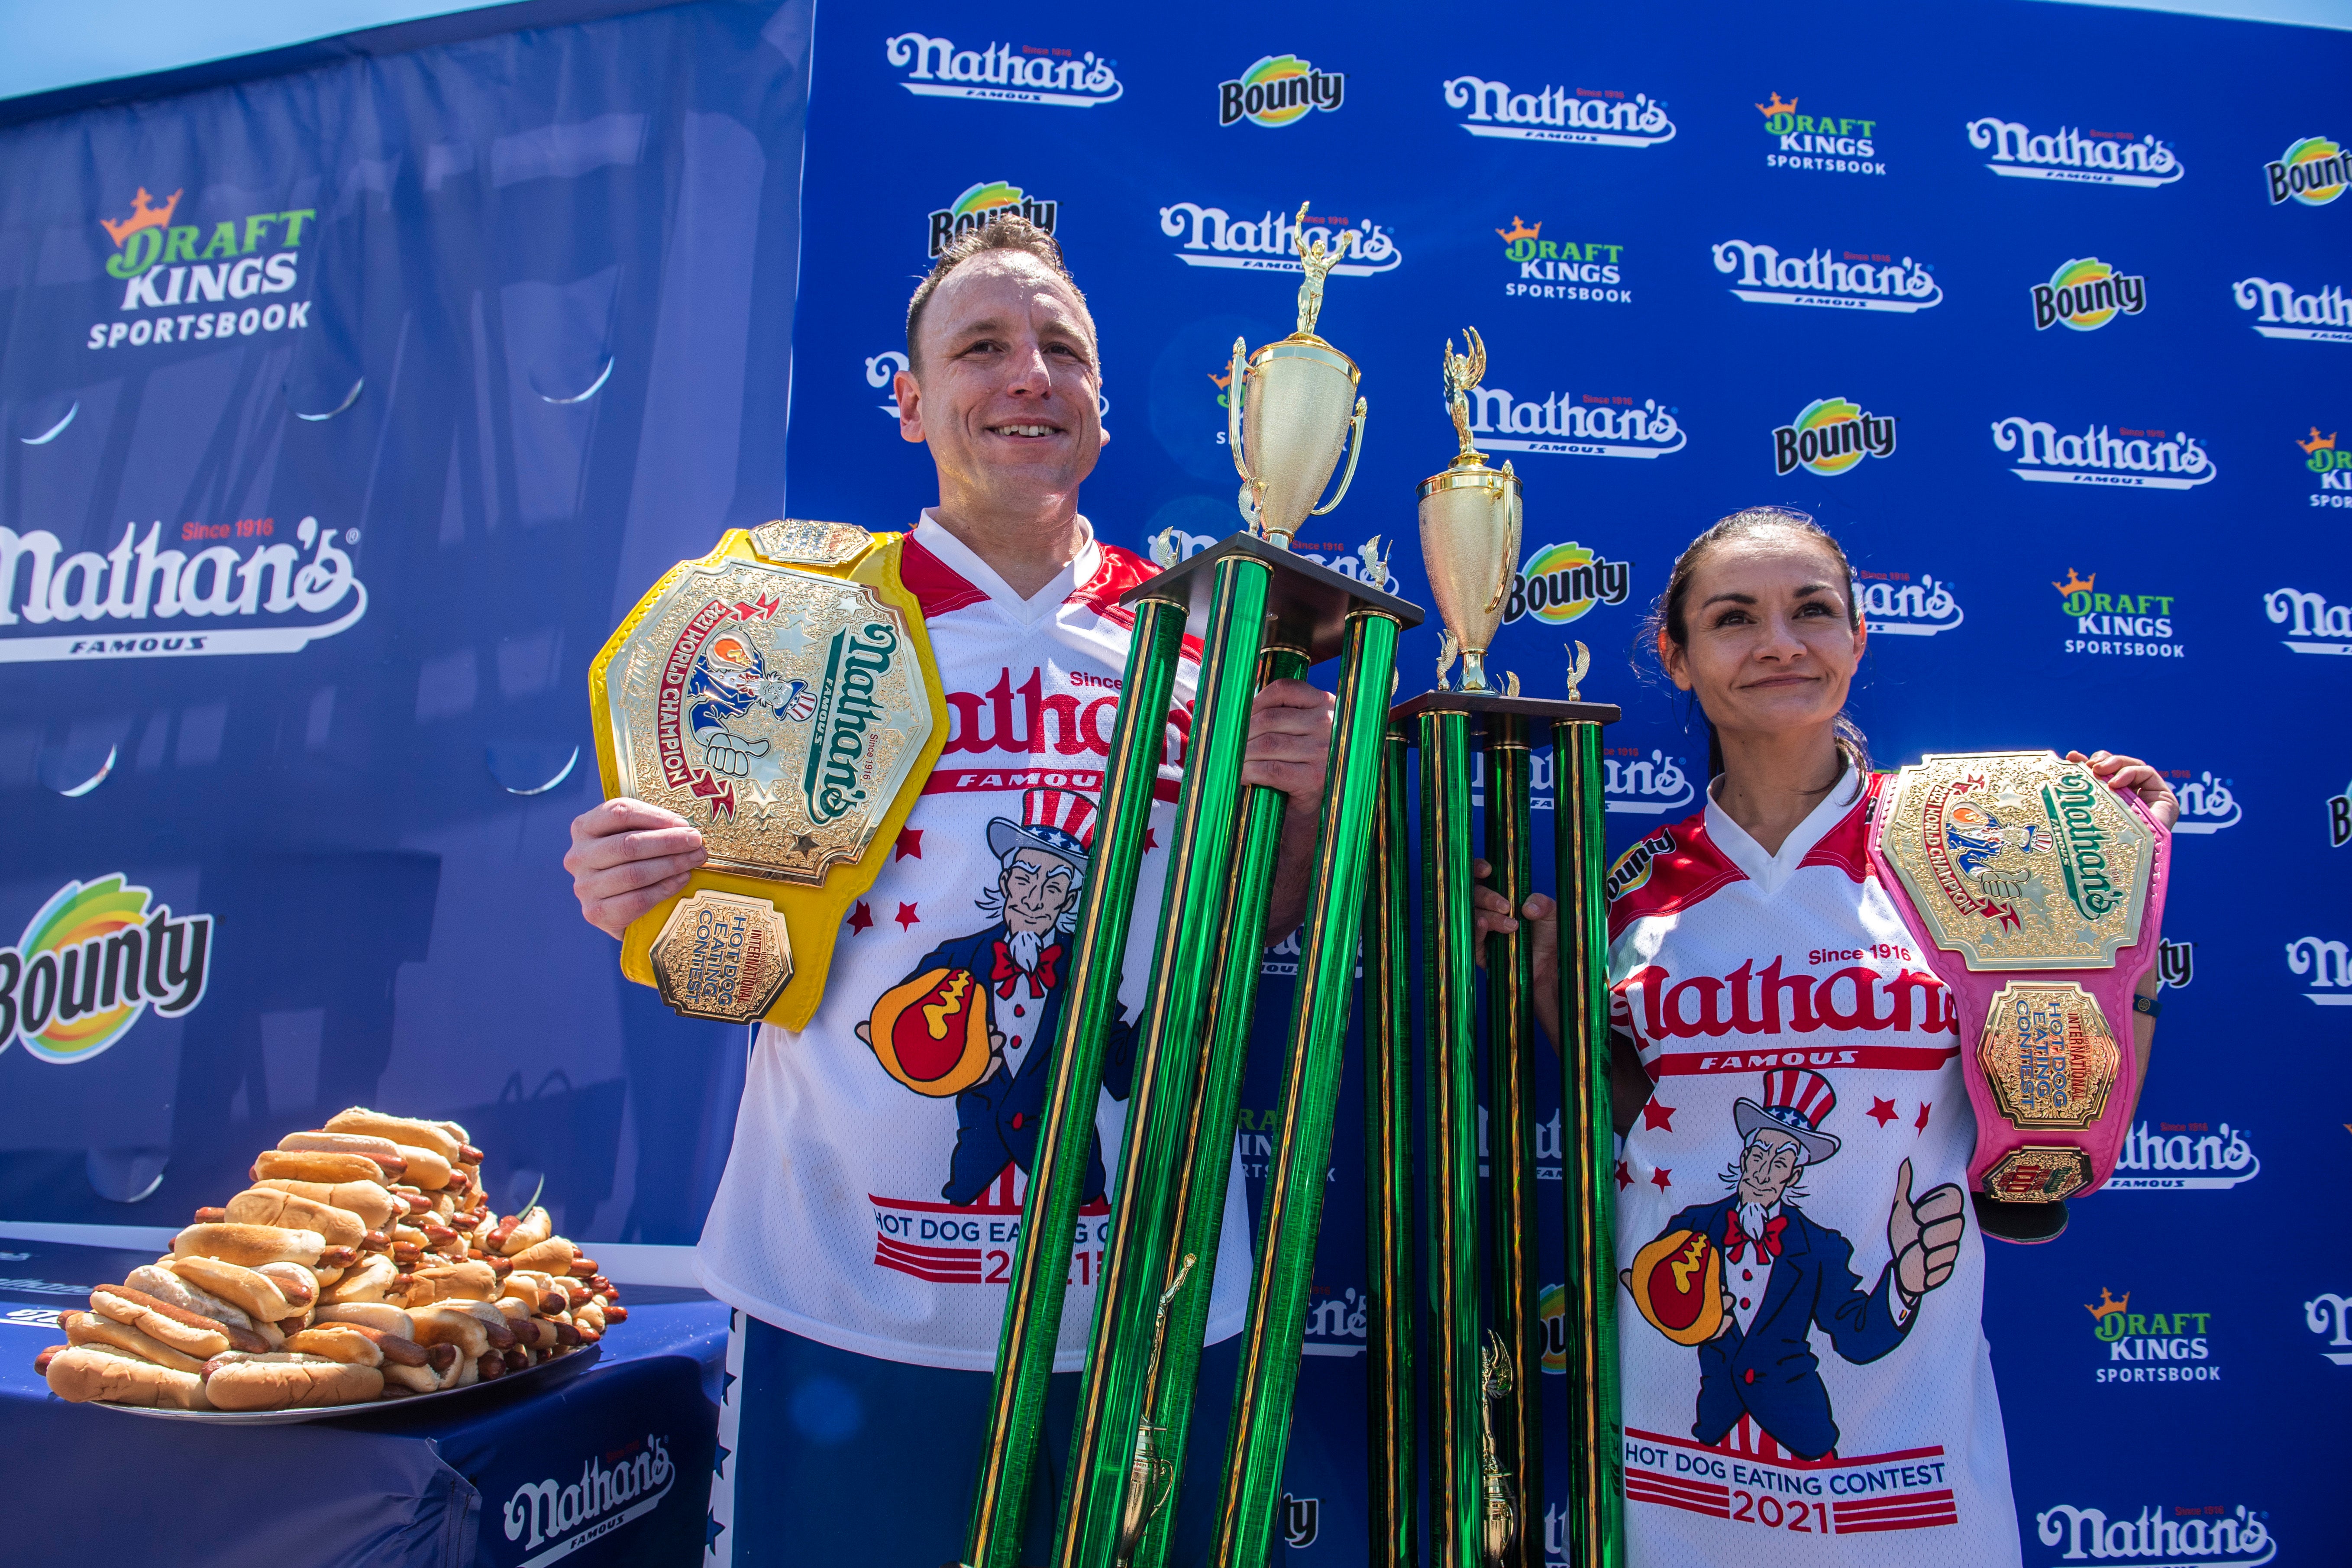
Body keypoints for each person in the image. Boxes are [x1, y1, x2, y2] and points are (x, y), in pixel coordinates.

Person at [565, 215, 1332, 1566]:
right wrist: (639, 885)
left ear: (1100, 412)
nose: (1027, 373)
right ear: (912, 400)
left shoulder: (1204, 637)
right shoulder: (797, 625)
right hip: (847, 1309)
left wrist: (1307, 806)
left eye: (1062, 350)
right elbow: (725, 948)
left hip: (1142, 1303)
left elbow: (1254, 928)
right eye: (981, 347)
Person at [1476, 505, 2175, 1565]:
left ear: (1857, 639)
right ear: (1675, 657)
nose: (1779, 643)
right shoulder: (1630, 893)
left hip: (1911, 1455)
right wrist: (1549, 994)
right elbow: (1642, 1118)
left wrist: (2120, 901)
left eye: (1813, 610)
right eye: (1733, 618)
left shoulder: (1983, 849)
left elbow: (2064, 1146)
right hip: (1677, 1436)